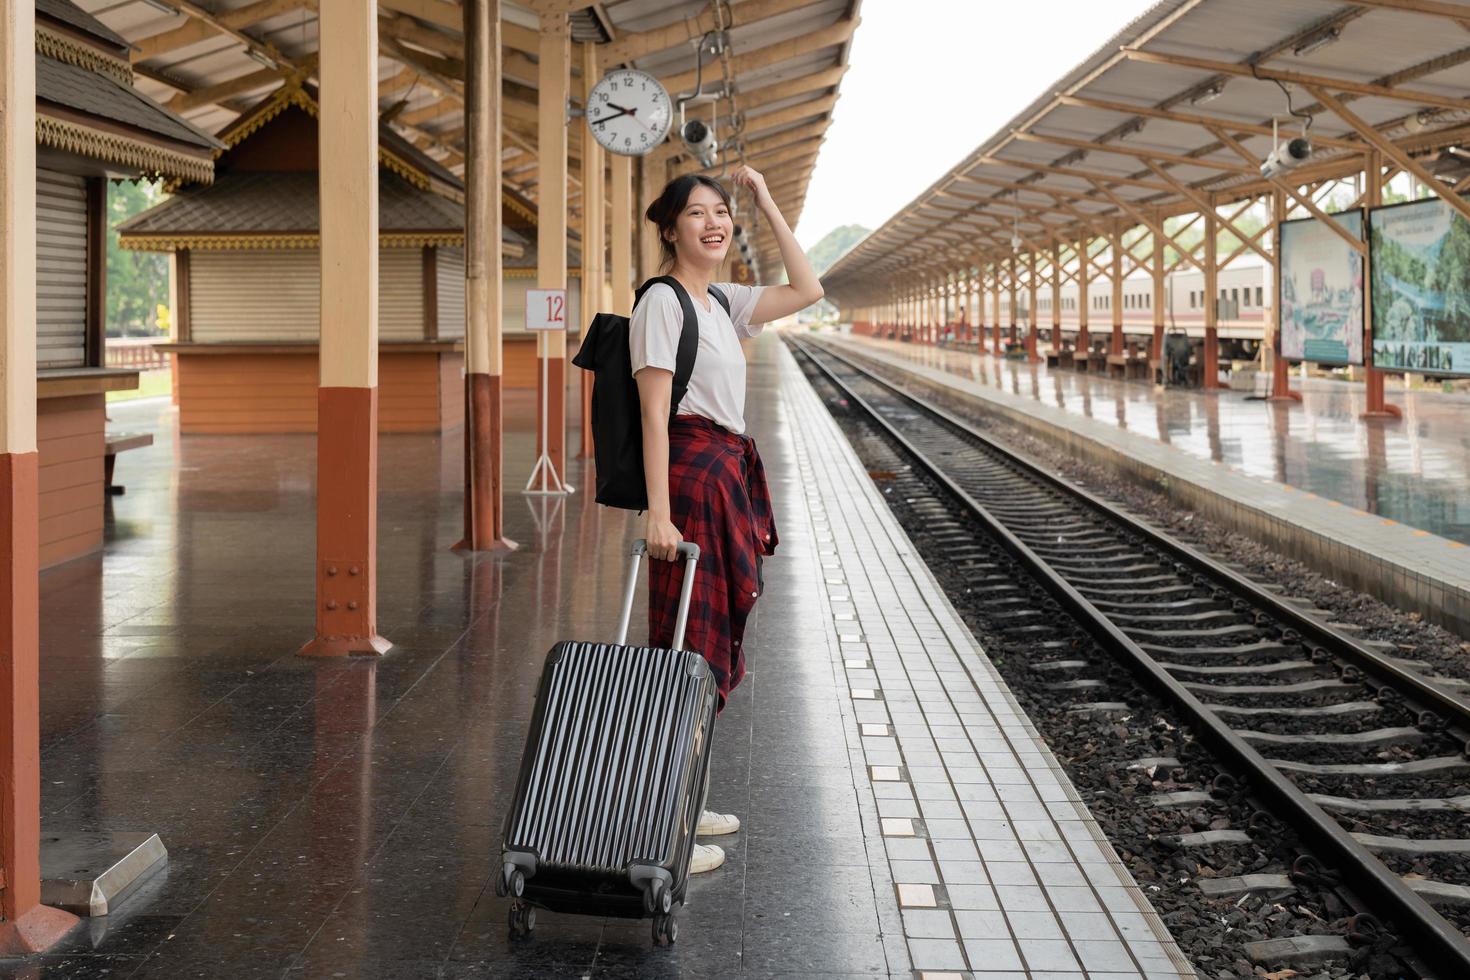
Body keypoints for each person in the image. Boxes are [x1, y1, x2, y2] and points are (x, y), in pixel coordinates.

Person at [629, 165, 824, 875]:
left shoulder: (722, 302)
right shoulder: (664, 304)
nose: (713, 223)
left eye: (722, 212)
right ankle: (666, 821)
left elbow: (809, 289)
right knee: (682, 644)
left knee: (709, 641)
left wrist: (766, 200)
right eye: (697, 213)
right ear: (669, 228)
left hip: (721, 477)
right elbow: (655, 412)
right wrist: (657, 513)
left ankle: (689, 793)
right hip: (687, 482)